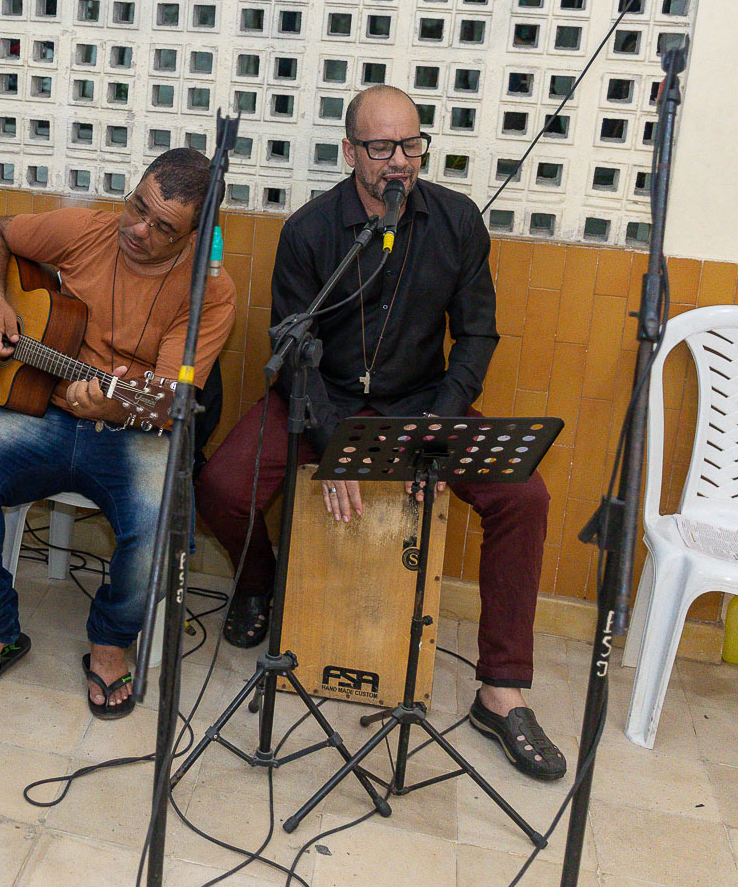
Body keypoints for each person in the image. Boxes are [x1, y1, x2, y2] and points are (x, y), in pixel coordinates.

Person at [194, 85, 566, 781]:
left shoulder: (456, 221)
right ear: (350, 152)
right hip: (320, 400)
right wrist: (335, 446)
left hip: (423, 404)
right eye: (382, 147)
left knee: (525, 496)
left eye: (411, 145)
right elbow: (291, 351)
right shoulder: (309, 232)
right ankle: (258, 585)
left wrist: (438, 423)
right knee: (220, 485)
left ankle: (501, 690)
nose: (400, 160)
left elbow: (477, 336)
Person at [0, 149, 235, 717]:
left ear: (196, 238)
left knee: (163, 522)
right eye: (138, 207)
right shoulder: (88, 230)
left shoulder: (210, 294)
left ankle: (111, 639)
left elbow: (168, 403)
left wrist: (116, 406)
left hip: (134, 428)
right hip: (38, 411)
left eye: (163, 228)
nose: (139, 230)